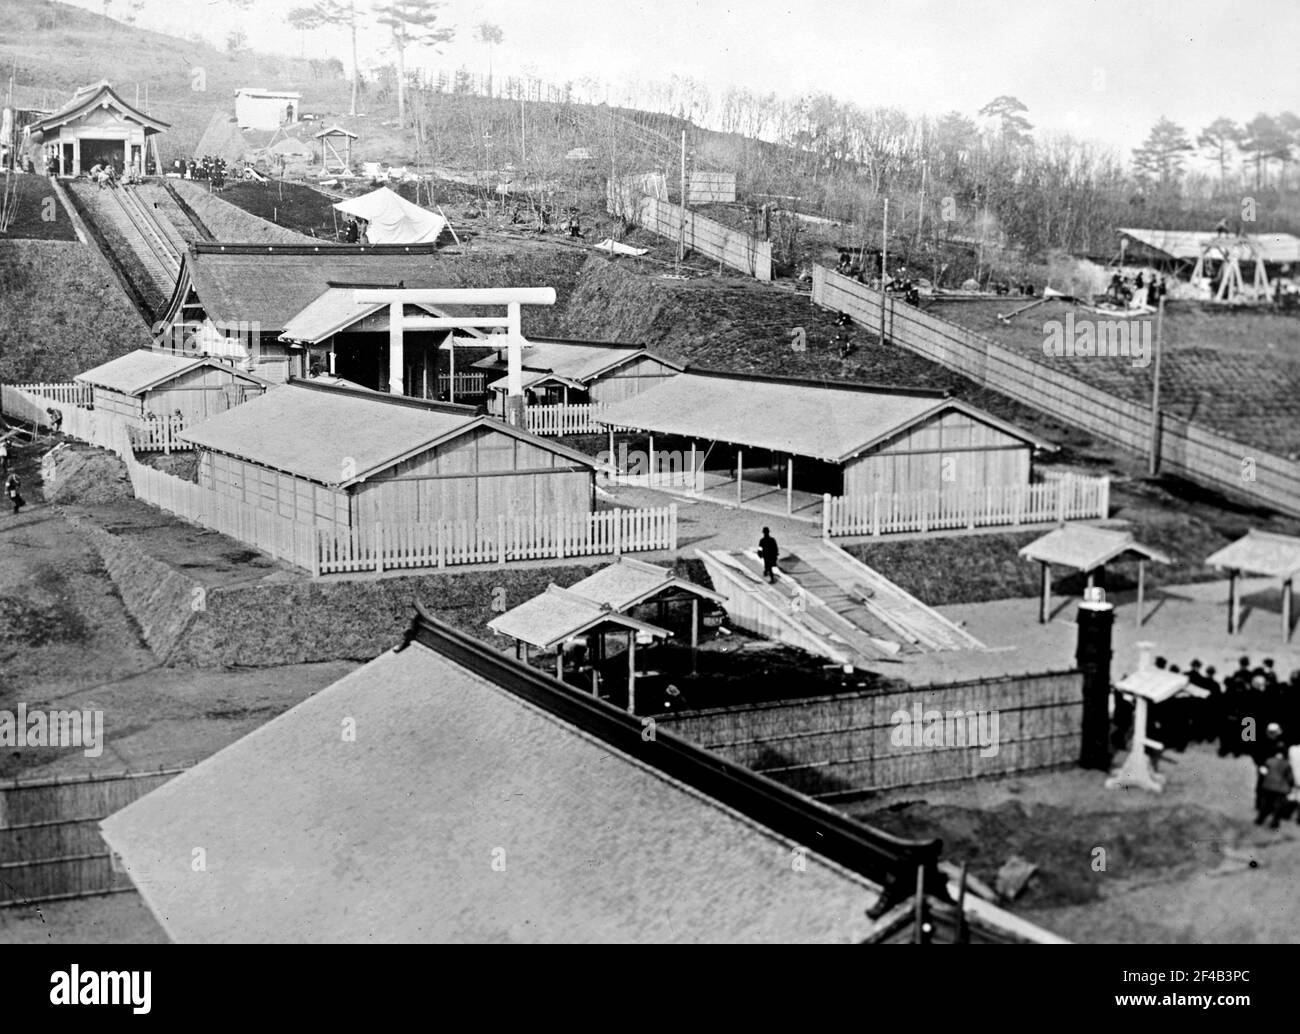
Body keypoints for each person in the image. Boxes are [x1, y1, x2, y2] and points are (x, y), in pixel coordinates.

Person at [1256, 746, 1294, 830]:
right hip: (1281, 789)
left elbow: (1262, 772)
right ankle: (1274, 823)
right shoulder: (1286, 764)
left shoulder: (1269, 761)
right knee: (1278, 807)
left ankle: (1259, 820)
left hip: (1268, 787)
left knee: (1265, 804)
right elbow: (1290, 778)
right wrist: (1291, 786)